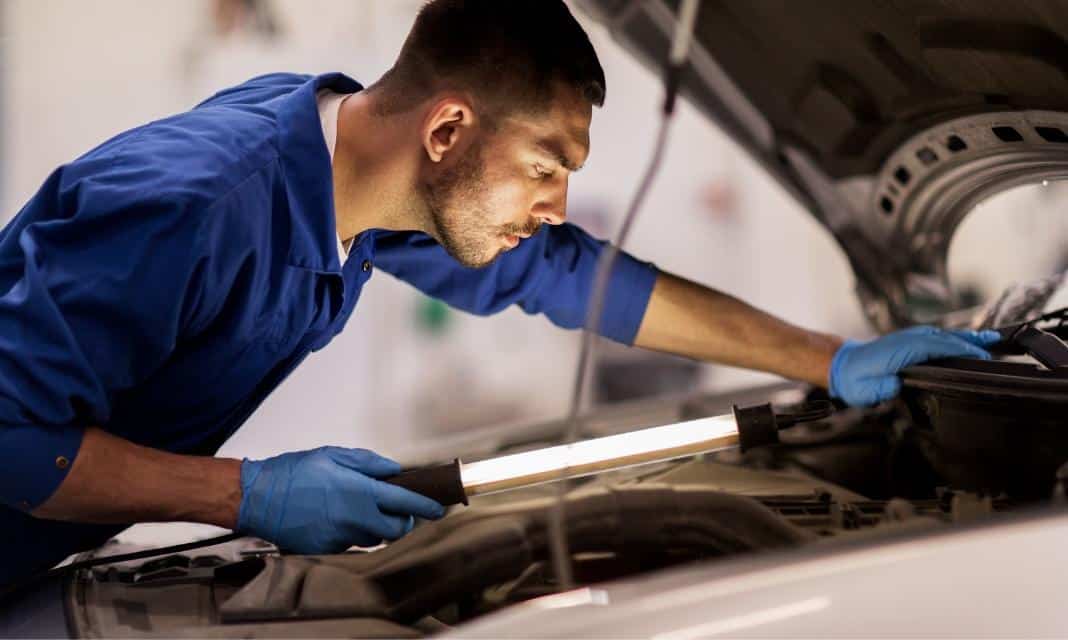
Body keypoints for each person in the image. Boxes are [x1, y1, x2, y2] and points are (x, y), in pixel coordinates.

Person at [0, 0, 998, 586]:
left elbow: (579, 280)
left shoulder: (365, 178)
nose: (558, 204)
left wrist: (827, 358)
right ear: (447, 132)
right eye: (548, 165)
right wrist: (248, 494)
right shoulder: (199, 200)